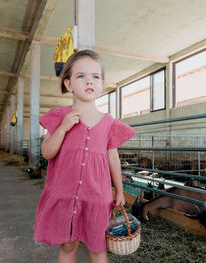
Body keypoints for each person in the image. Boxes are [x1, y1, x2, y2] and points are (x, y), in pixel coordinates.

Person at [33, 49, 136, 263]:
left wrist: (119, 190)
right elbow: (46, 152)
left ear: (102, 84)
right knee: (68, 244)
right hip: (63, 195)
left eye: (95, 76)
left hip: (97, 197)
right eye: (81, 76)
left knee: (98, 248)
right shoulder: (58, 117)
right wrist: (62, 128)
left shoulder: (109, 123)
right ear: (69, 84)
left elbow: (113, 159)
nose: (89, 81)